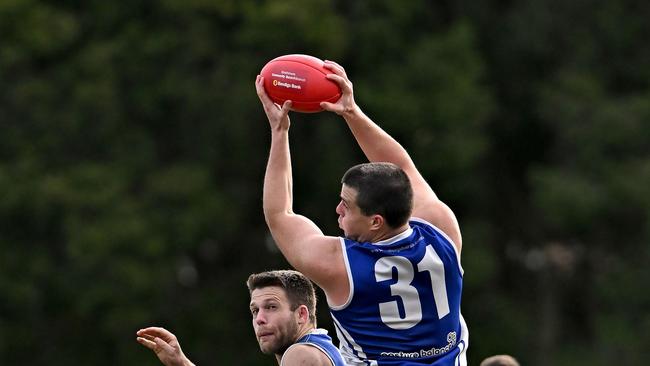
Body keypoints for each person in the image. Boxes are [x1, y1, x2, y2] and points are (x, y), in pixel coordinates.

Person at [256, 59, 468, 365]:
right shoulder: (442, 228)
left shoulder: (339, 267)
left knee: (300, 357)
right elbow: (403, 168)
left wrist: (279, 131)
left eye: (347, 204)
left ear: (376, 221)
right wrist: (351, 111)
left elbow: (279, 214)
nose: (338, 209)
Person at [136, 270, 345, 366]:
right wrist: (180, 363)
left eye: (271, 307)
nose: (260, 319)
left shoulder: (301, 355)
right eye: (255, 311)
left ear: (301, 314)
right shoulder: (319, 349)